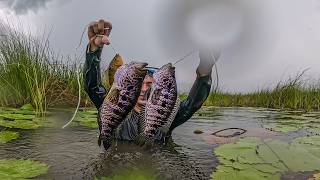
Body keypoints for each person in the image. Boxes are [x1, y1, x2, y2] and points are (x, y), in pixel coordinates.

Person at [83, 19, 219, 149]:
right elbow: (92, 87)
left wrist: (205, 68)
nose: (143, 89)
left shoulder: (166, 114)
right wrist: (94, 49)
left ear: (158, 90)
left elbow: (192, 104)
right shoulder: (114, 106)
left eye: (150, 84)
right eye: (139, 84)